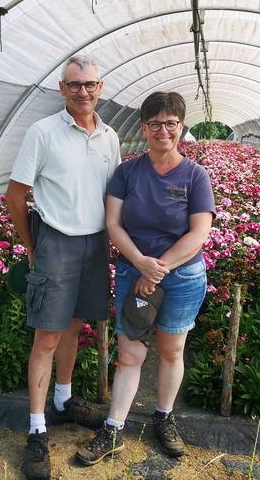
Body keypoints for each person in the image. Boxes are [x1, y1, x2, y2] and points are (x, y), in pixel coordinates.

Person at [76, 91, 215, 465]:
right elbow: (113, 223)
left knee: (171, 350)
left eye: (171, 124)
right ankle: (113, 428)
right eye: (155, 124)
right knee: (130, 353)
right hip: (132, 271)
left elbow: (198, 234)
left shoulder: (195, 176)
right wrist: (140, 262)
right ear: (144, 128)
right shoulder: (127, 173)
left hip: (182, 276)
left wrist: (158, 268)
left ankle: (163, 417)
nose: (163, 131)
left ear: (181, 127)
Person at [5, 55, 121, 480]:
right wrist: (34, 246)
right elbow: (16, 194)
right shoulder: (43, 133)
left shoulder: (108, 136)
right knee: (48, 333)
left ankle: (63, 400)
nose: (83, 91)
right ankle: (36, 431)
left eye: (90, 84)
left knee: (74, 325)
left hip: (95, 242)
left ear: (101, 86)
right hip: (56, 239)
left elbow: (113, 193)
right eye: (75, 84)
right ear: (61, 88)